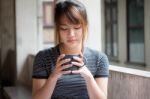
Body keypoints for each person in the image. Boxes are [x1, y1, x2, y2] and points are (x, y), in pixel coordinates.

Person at [32, 0, 109, 99]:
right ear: (58, 29)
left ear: (85, 26)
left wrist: (89, 77)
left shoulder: (99, 59)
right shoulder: (43, 57)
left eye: (77, 28)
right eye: (64, 28)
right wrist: (53, 77)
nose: (71, 34)